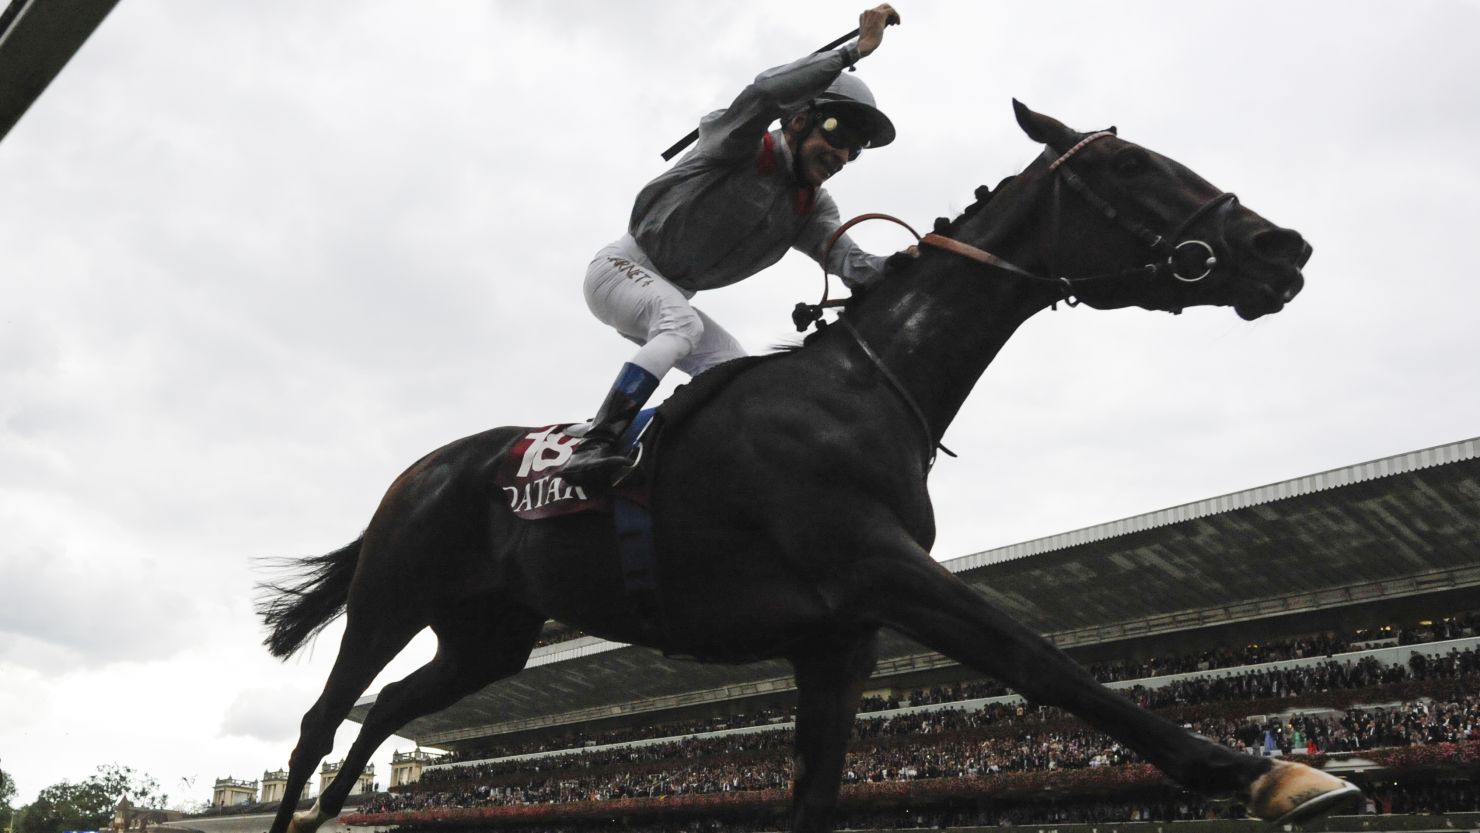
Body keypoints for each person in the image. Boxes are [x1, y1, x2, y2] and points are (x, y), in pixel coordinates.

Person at [561, 4, 905, 488]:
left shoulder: (812, 207)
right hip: (620, 269)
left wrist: (926, 259)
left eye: (855, 148)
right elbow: (764, 93)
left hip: (670, 297)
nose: (843, 155)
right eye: (837, 132)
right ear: (799, 119)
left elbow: (855, 265)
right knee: (677, 323)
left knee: (737, 377)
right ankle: (595, 443)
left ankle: (659, 456)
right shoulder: (737, 143)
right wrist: (855, 51)